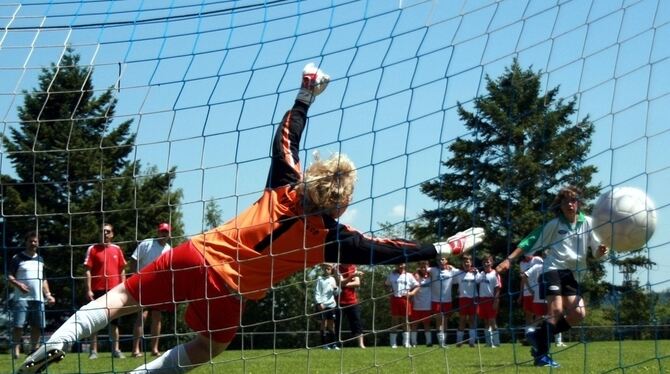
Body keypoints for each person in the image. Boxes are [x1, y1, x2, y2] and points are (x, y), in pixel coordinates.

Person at [18, 63, 485, 374]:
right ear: (341, 203)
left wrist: (305, 95)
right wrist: (444, 247)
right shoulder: (333, 239)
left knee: (119, 298)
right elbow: (389, 250)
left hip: (193, 253)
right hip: (231, 291)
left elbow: (287, 136)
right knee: (208, 349)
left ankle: (54, 344)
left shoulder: (286, 182)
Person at [496, 185, 608, 368]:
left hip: (573, 274)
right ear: (560, 205)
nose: (570, 204)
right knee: (555, 311)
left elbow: (596, 252)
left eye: (573, 200)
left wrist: (601, 251)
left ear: (578, 203)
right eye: (565, 201)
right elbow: (531, 239)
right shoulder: (554, 225)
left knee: (578, 314)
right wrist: (509, 259)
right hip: (553, 269)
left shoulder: (588, 222)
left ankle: (538, 336)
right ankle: (542, 356)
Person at [8, 232, 56, 360]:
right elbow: (10, 276)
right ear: (26, 242)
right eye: (30, 241)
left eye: (35, 241)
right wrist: (19, 285)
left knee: (38, 325)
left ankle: (33, 349)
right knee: (18, 325)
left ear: (38, 243)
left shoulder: (40, 260)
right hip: (21, 298)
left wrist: (49, 295)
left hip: (38, 298)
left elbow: (43, 279)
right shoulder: (17, 258)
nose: (33, 243)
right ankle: (16, 348)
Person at [84, 223, 127, 360]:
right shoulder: (92, 249)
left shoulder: (117, 249)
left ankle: (116, 350)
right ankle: (93, 351)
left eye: (108, 231)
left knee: (114, 322)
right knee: (95, 321)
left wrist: (124, 287)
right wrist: (89, 289)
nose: (105, 234)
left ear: (112, 234)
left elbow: (122, 269)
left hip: (115, 291)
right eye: (103, 231)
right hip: (97, 290)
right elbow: (87, 270)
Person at [130, 223, 172, 357]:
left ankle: (154, 349)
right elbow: (133, 260)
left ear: (169, 234)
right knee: (142, 316)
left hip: (159, 287)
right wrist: (134, 277)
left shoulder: (169, 249)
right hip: (143, 284)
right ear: (158, 232)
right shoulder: (147, 243)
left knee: (157, 317)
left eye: (166, 232)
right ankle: (136, 349)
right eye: (162, 231)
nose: (164, 234)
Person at [385, 263, 419, 348]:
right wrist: (389, 292)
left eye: (402, 264)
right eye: (398, 264)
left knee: (406, 321)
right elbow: (386, 285)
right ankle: (393, 343)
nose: (400, 266)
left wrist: (411, 293)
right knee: (394, 321)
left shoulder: (409, 275)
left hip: (405, 299)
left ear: (405, 265)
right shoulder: (392, 275)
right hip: (395, 299)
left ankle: (406, 342)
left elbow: (417, 286)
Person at [336, 264, 366, 349]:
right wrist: (352, 276)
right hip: (338, 301)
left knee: (357, 322)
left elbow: (357, 283)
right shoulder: (337, 268)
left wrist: (344, 283)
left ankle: (361, 344)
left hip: (352, 301)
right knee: (337, 323)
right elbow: (340, 282)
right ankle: (336, 343)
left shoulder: (354, 267)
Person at [476, 254, 501, 348]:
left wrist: (495, 301)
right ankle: (488, 342)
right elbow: (476, 280)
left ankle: (496, 342)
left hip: (491, 300)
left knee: (492, 320)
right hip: (482, 300)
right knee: (485, 321)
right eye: (484, 262)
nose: (486, 263)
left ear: (492, 263)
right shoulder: (481, 274)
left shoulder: (495, 274)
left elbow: (497, 289)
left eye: (488, 261)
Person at [430, 256, 455, 348]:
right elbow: (422, 269)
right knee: (439, 320)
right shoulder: (433, 270)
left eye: (443, 259)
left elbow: (463, 272)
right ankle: (441, 343)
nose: (441, 261)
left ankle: (444, 342)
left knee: (445, 321)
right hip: (436, 300)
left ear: (446, 260)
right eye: (438, 259)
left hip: (447, 300)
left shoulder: (452, 270)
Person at [453, 255, 478, 347]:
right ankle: (459, 341)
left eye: (468, 261)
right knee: (462, 320)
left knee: (472, 320)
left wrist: (476, 272)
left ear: (471, 263)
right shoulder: (458, 272)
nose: (467, 263)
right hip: (463, 299)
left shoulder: (475, 272)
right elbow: (449, 269)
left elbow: (480, 280)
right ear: (462, 263)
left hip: (473, 299)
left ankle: (472, 342)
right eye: (465, 262)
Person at [518, 253, 543, 345]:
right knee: (528, 315)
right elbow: (522, 279)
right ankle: (528, 337)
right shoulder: (522, 263)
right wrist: (521, 295)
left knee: (539, 315)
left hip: (536, 291)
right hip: (526, 292)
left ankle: (535, 335)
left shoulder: (537, 259)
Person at [314, 263, 339, 349]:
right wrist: (319, 303)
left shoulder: (333, 279)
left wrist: (336, 288)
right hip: (322, 305)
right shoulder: (319, 279)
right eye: (325, 269)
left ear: (331, 270)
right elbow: (317, 292)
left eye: (328, 269)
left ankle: (334, 344)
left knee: (331, 325)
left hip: (331, 305)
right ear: (322, 269)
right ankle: (324, 344)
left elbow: (336, 293)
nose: (326, 270)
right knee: (323, 325)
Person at [410, 261, 433, 347]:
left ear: (428, 266)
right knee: (415, 324)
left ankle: (429, 342)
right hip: (416, 304)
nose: (423, 268)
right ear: (419, 266)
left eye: (425, 266)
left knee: (427, 324)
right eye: (421, 266)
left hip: (427, 304)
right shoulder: (414, 275)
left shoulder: (431, 275)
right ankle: (414, 342)